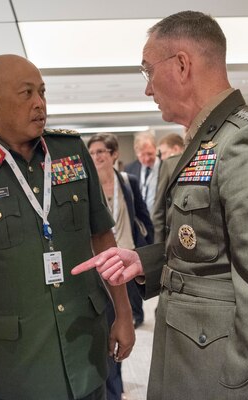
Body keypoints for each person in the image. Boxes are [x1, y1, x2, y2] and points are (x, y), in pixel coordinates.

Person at [73, 10, 248, 400]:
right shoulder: (207, 142)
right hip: (190, 363)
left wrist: (244, 391)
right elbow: (210, 249)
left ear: (183, 65)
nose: (147, 89)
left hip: (222, 379)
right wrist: (148, 261)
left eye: (147, 72)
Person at [0, 54, 134, 400]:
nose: (40, 104)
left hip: (84, 344)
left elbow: (103, 238)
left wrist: (124, 314)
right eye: (26, 94)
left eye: (42, 92)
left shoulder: (71, 152)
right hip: (17, 364)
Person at [87, 133, 154, 400]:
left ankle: (114, 388)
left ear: (114, 154)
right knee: (104, 325)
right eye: (92, 153)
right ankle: (108, 386)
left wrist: (146, 251)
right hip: (98, 269)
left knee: (123, 320)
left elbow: (144, 218)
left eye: (101, 151)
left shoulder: (127, 181)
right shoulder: (85, 188)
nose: (96, 157)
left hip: (126, 263)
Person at [151, 133, 185, 242]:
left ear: (175, 148)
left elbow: (159, 209)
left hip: (174, 234)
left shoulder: (168, 164)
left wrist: (158, 245)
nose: (162, 158)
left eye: (164, 153)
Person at [124, 131, 159, 215]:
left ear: (155, 149)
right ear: (136, 153)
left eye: (150, 154)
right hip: (139, 220)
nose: (147, 159)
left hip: (158, 219)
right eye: (142, 155)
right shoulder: (129, 169)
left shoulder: (164, 167)